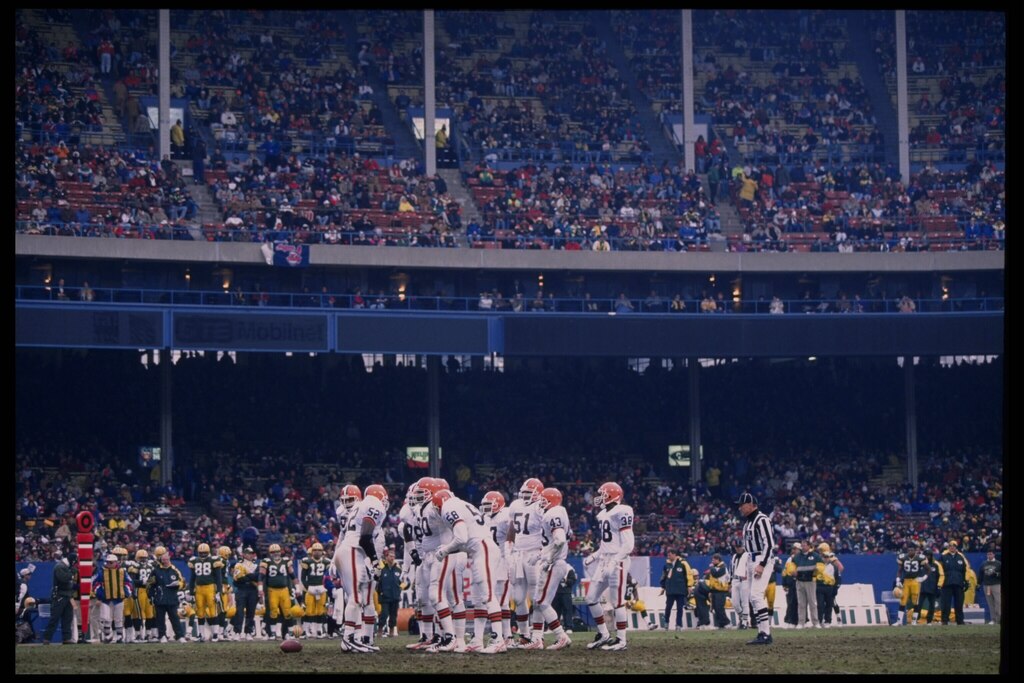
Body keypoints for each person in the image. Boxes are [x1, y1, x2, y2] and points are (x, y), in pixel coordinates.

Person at [584, 481, 635, 651]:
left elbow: (628, 545)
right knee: (591, 598)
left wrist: (614, 561)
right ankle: (604, 634)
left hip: (618, 561)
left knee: (618, 602)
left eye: (603, 495)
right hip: (604, 559)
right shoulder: (604, 514)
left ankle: (621, 639)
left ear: (612, 496)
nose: (599, 498)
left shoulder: (623, 511)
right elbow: (608, 542)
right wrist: (595, 555)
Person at [736, 492, 776, 644]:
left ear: (751, 504)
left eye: (742, 504)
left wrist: (762, 563)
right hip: (752, 558)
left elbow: (769, 543)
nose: (740, 507)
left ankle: (766, 633)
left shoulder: (762, 519)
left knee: (756, 596)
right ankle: (762, 632)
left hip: (761, 558)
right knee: (753, 598)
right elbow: (748, 547)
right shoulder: (748, 523)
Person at [150, 550, 187, 642]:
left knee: (175, 618)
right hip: (160, 599)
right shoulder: (156, 571)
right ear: (161, 560)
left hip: (172, 599)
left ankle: (180, 636)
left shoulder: (175, 570)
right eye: (163, 560)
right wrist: (151, 596)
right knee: (160, 619)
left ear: (169, 558)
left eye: (166, 559)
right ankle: (162, 636)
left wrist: (179, 585)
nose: (165, 561)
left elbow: (182, 582)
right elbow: (150, 584)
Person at [42, 554, 77, 644]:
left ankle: (66, 638)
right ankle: (47, 638)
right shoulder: (60, 567)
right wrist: (72, 573)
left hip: (68, 595)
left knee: (67, 618)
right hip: (59, 596)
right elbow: (64, 579)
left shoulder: (65, 566)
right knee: (55, 618)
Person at [300, 543, 332, 639]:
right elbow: (303, 577)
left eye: (319, 550)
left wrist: (326, 587)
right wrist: (307, 587)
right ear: (312, 551)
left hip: (321, 588)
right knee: (309, 610)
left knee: (320, 610)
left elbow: (328, 577)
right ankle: (306, 631)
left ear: (322, 551)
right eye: (315, 550)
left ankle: (318, 630)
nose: (317, 552)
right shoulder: (307, 561)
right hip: (311, 588)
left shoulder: (327, 562)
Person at [893, 540, 927, 626]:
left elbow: (929, 569)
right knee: (903, 601)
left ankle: (914, 621)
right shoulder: (903, 557)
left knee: (915, 601)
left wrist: (923, 577)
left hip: (915, 581)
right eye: (909, 550)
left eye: (912, 550)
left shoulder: (920, 558)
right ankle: (899, 621)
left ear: (915, 550)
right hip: (906, 581)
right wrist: (898, 580)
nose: (910, 552)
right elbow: (900, 570)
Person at [232, 546, 260, 640]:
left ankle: (248, 632)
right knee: (239, 611)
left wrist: (246, 575)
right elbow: (238, 579)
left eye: (251, 554)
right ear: (243, 554)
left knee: (251, 612)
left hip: (252, 590)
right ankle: (237, 632)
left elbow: (258, 577)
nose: (250, 555)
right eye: (248, 553)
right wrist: (250, 576)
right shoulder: (239, 564)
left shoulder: (256, 565)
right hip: (242, 589)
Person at [659, 548, 692, 631]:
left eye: (669, 555)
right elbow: (664, 577)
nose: (668, 556)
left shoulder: (683, 563)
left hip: (680, 590)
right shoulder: (666, 565)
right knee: (668, 607)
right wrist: (663, 587)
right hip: (670, 590)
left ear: (674, 554)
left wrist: (689, 586)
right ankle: (666, 623)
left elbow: (689, 574)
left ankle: (678, 625)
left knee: (679, 608)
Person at [793, 538, 821, 629]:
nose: (803, 546)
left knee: (812, 602)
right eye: (802, 545)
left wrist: (816, 572)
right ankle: (801, 622)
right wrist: (793, 572)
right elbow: (792, 567)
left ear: (809, 546)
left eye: (805, 545)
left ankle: (815, 622)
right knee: (801, 603)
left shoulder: (815, 556)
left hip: (810, 582)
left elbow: (821, 566)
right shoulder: (797, 557)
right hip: (799, 581)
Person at [939, 540, 969, 625]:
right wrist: (939, 583)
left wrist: (966, 581)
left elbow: (965, 570)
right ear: (948, 547)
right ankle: (944, 620)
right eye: (950, 546)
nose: (952, 547)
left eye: (954, 546)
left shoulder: (961, 557)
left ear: (956, 547)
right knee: (946, 603)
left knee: (959, 603)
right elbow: (939, 570)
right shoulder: (943, 557)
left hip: (958, 583)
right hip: (946, 583)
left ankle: (960, 620)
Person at [375, 548, 401, 638]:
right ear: (386, 557)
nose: (392, 558)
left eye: (393, 556)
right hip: (385, 596)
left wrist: (400, 589)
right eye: (390, 556)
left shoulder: (398, 569)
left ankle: (391, 631)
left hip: (395, 596)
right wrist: (380, 592)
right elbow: (376, 580)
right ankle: (380, 630)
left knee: (393, 615)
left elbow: (401, 582)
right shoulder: (381, 568)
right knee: (384, 614)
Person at [816, 545, 843, 627]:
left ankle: (838, 619)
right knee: (822, 604)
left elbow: (841, 568)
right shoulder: (819, 562)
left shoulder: (833, 559)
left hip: (830, 586)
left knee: (832, 603)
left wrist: (835, 586)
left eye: (821, 550)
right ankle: (821, 620)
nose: (820, 551)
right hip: (821, 586)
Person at [730, 540, 751, 629]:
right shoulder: (734, 556)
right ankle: (742, 617)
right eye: (736, 547)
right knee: (735, 603)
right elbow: (731, 568)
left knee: (745, 602)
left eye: (739, 547)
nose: (738, 549)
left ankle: (744, 622)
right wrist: (730, 581)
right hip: (735, 580)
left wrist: (748, 577)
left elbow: (750, 568)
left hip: (744, 580)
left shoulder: (747, 556)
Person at [554, 563, 577, 636]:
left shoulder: (569, 569)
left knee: (567, 610)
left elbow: (573, 581)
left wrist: (565, 580)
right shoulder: (554, 567)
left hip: (566, 592)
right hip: (555, 592)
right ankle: (554, 627)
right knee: (555, 611)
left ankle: (568, 627)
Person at [781, 542, 800, 628]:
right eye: (793, 549)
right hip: (791, 583)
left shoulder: (801, 559)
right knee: (791, 602)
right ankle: (789, 620)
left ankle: (798, 621)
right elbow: (785, 572)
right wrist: (784, 584)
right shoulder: (789, 559)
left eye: (795, 549)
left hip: (799, 582)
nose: (793, 550)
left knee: (799, 603)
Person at [980, 550, 1001, 625]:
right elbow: (981, 574)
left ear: (994, 555)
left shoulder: (998, 564)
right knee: (990, 603)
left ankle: (999, 619)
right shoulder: (984, 564)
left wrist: (996, 574)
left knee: (998, 602)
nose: (989, 555)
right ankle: (993, 619)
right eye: (988, 554)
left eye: (991, 554)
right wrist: (979, 583)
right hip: (987, 585)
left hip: (996, 585)